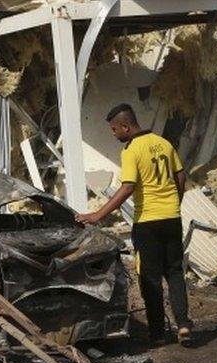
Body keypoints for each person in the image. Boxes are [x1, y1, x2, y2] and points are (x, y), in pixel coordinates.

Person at [75, 103, 192, 346]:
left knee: (149, 278)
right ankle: (182, 323)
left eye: (115, 129)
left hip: (147, 223)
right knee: (174, 271)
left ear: (126, 126)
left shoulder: (131, 151)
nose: (114, 134)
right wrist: (174, 202)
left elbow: (127, 187)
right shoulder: (164, 143)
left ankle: (158, 333)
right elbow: (180, 175)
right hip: (171, 218)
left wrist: (98, 215)